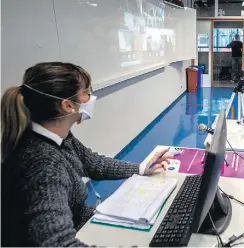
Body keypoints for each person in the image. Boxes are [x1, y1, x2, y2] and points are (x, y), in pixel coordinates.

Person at [1, 62, 172, 246]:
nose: (91, 98)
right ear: (67, 106)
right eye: (86, 93)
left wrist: (142, 168)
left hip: (82, 224)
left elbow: (94, 164)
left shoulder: (58, 137)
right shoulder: (43, 164)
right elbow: (58, 243)